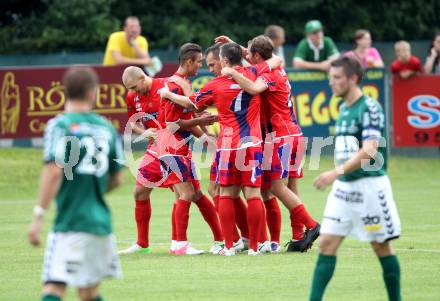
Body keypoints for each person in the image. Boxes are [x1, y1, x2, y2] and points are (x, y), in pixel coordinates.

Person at [28, 67, 124, 301]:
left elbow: (53, 171)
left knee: (53, 287)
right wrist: (92, 189)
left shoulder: (59, 125)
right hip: (101, 223)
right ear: (93, 93)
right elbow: (117, 179)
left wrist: (39, 214)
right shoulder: (107, 128)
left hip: (70, 222)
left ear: (65, 91)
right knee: (89, 292)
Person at [309, 56, 402, 301]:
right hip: (344, 190)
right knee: (326, 243)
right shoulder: (344, 108)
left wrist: (334, 172)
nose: (332, 82)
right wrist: (338, 174)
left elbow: (370, 150)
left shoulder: (369, 107)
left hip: (370, 188)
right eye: (331, 77)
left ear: (353, 78)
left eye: (337, 78)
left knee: (381, 247)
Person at [221, 35, 320, 253]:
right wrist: (234, 46)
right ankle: (297, 237)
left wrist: (233, 72)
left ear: (257, 55)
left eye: (249, 52)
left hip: (282, 138)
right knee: (291, 187)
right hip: (294, 134)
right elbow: (263, 57)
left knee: (276, 187)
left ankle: (312, 226)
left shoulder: (270, 74)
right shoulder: (276, 66)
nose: (246, 56)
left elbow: (254, 88)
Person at [159, 43, 224, 255]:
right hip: (171, 148)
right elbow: (172, 123)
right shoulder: (175, 86)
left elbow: (190, 117)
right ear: (189, 62)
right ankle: (180, 244)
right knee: (186, 194)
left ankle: (221, 240)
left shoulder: (182, 83)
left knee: (196, 194)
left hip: (180, 149)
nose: (200, 66)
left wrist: (206, 136)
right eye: (198, 62)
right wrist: (204, 128)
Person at [204, 44, 250, 252]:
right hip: (254, 140)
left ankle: (232, 240)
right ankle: (254, 240)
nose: (210, 69)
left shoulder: (217, 83)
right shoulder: (251, 75)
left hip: (229, 143)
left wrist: (168, 95)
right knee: (252, 193)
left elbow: (191, 105)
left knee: (221, 191)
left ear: (223, 60)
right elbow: (272, 61)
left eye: (212, 64)